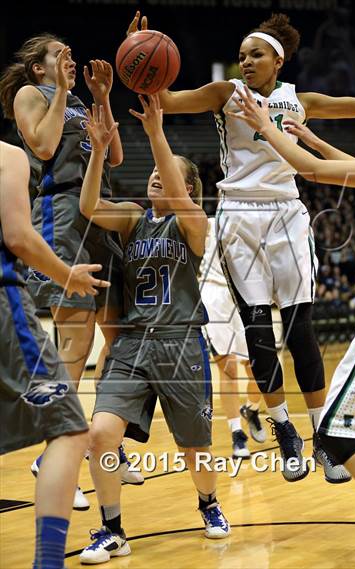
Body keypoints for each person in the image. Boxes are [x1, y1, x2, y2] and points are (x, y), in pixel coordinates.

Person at [127, 10, 355, 483]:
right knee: (257, 330)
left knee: (301, 331)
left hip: (286, 214)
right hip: (238, 215)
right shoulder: (225, 94)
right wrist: (141, 60)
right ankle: (284, 431)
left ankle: (324, 438)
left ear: (277, 60)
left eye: (255, 54)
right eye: (241, 56)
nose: (246, 62)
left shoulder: (300, 100)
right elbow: (167, 100)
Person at [229, 84, 355, 569]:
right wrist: (308, 137)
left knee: (334, 432)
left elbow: (315, 174)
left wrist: (265, 126)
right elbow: (348, 168)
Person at [77, 97, 230, 564]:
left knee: (194, 446)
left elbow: (184, 200)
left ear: (188, 187)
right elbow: (87, 204)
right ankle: (112, 529)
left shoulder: (194, 225)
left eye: (169, 174)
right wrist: (100, 150)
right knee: (101, 433)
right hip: (131, 345)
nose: (156, 176)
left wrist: (157, 134)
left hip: (180, 344)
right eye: (155, 172)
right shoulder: (130, 216)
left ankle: (208, 503)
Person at [0, 34, 143, 502]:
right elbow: (41, 146)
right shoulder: (32, 94)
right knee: (77, 342)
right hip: (60, 212)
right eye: (58, 55)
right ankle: (53, 452)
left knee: (118, 336)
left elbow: (116, 155)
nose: (69, 59)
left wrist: (102, 98)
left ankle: (107, 449)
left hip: (96, 209)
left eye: (69, 53)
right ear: (38, 68)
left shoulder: (81, 100)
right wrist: (62, 89)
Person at [0, 140, 110, 569]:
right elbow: (18, 235)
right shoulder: (8, 156)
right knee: (68, 429)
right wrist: (67, 274)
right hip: (5, 305)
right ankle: (48, 563)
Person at [200, 217, 267, 458]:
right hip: (214, 293)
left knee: (257, 369)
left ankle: (251, 409)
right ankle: (237, 434)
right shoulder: (208, 223)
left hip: (245, 298)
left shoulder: (258, 224)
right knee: (227, 368)